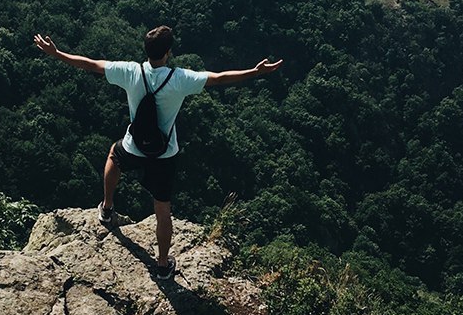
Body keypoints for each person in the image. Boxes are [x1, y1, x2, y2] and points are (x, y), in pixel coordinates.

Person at [33, 25, 283, 278]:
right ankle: (162, 265)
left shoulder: (130, 71)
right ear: (169, 52)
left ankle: (107, 209)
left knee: (114, 155)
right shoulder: (180, 79)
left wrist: (57, 53)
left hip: (134, 146)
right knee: (162, 210)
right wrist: (254, 72)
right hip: (164, 154)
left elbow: (91, 64)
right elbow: (219, 78)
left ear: (146, 49)